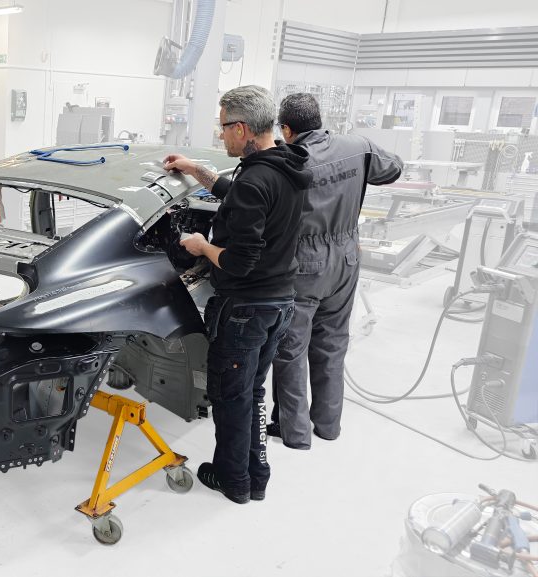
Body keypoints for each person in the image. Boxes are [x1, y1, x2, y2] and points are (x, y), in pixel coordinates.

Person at [165, 85, 312, 504]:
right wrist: (196, 171)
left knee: (231, 397)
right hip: (280, 302)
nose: (221, 136)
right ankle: (256, 476)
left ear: (242, 127)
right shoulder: (286, 165)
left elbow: (239, 261)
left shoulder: (256, 178)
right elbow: (241, 198)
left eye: (224, 127)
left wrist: (201, 247)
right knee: (252, 391)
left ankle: (233, 482)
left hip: (246, 306)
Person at [268, 93, 403, 449]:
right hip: (346, 257)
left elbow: (257, 205)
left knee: (291, 349)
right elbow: (394, 168)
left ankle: (295, 433)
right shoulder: (358, 145)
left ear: (286, 128)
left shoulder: (290, 160)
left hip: (305, 263)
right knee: (332, 344)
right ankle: (328, 426)